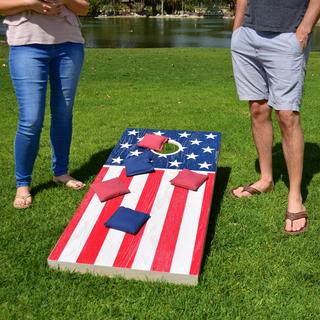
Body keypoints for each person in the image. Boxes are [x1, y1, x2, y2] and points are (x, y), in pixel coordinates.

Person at [230, 0, 320, 234]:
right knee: (258, 109)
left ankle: (295, 196)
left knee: (287, 115)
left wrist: (305, 28)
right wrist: (237, 28)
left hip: (288, 36)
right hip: (248, 35)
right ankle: (266, 180)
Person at [0, 0, 89, 209]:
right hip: (26, 46)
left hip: (69, 45)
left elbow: (84, 7)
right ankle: (23, 184)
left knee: (63, 114)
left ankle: (61, 173)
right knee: (31, 119)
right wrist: (32, 4)